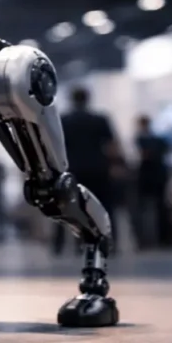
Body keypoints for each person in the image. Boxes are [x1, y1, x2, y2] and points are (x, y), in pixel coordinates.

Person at [53, 87, 117, 256]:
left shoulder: (64, 121)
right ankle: (109, 242)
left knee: (70, 207)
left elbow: (57, 147)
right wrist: (114, 165)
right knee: (104, 205)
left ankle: (68, 244)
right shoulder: (100, 119)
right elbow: (111, 146)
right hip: (98, 168)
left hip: (73, 169)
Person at [134, 115, 171, 248]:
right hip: (158, 176)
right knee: (160, 207)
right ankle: (162, 238)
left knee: (142, 208)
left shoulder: (139, 140)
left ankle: (145, 239)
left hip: (145, 177)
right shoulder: (159, 140)